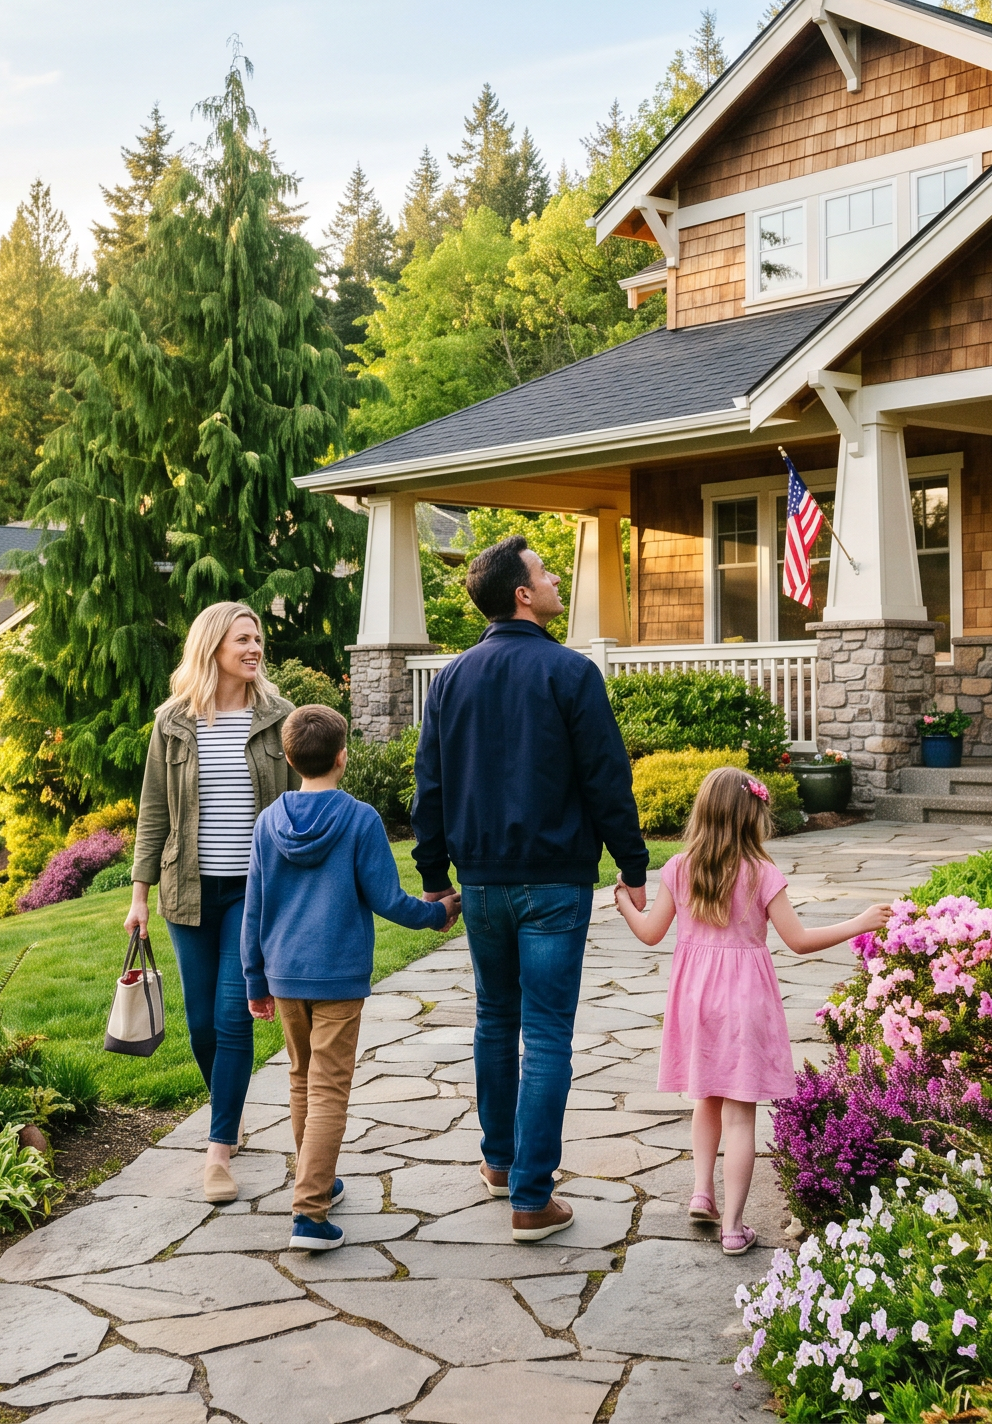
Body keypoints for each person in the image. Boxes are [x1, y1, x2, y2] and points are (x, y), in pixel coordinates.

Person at [412, 535, 650, 1242]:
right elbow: (607, 779)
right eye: (545, 574)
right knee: (545, 1035)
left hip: (482, 886)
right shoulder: (571, 673)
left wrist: (433, 879)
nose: (554, 581)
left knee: (495, 1020)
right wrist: (632, 867)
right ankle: (530, 1196)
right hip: (554, 885)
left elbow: (430, 787)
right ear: (522, 594)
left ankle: (499, 1163)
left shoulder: (452, 679)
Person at [612, 766, 888, 1253]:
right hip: (745, 1000)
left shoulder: (679, 868)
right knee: (741, 1113)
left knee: (705, 1098)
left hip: (695, 999)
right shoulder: (762, 874)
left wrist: (624, 904)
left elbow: (651, 932)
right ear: (752, 816)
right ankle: (734, 1228)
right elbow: (799, 941)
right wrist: (859, 921)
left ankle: (702, 1190)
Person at [242, 705, 460, 1251]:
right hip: (337, 976)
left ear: (290, 759)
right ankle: (309, 1213)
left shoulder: (269, 821)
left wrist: (254, 980)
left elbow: (254, 908)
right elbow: (387, 899)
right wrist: (439, 912)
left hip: (284, 975)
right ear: (343, 757)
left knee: (300, 1078)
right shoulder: (359, 819)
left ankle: (317, 1181)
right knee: (330, 1089)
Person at [130, 602, 298, 1203]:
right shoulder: (173, 721)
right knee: (201, 1023)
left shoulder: (280, 718)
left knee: (233, 1018)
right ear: (212, 647)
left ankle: (218, 1151)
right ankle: (230, 1107)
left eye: (257, 639)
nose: (254, 648)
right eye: (243, 639)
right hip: (187, 890)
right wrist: (139, 896)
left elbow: (303, 802)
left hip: (253, 896)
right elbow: (154, 813)